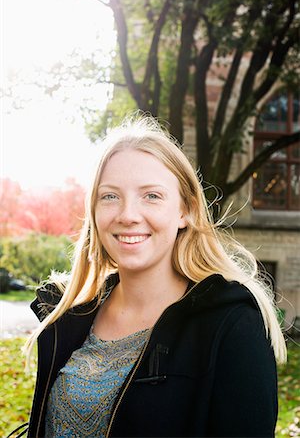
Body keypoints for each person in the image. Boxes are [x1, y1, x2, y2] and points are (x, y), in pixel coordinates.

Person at [24, 114, 286, 438]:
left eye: (151, 196)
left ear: (185, 210)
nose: (128, 215)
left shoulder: (230, 325)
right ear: (93, 210)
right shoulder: (69, 314)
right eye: (110, 196)